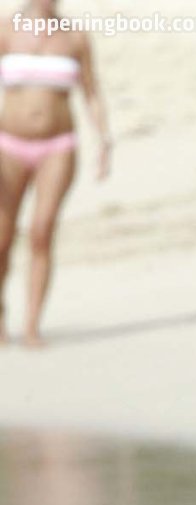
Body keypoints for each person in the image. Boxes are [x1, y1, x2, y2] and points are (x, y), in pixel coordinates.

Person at [0, 0, 111, 346]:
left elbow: (91, 91)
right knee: (2, 237)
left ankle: (32, 325)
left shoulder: (74, 37)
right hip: (8, 145)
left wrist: (104, 139)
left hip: (58, 146)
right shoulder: (6, 31)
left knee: (42, 231)